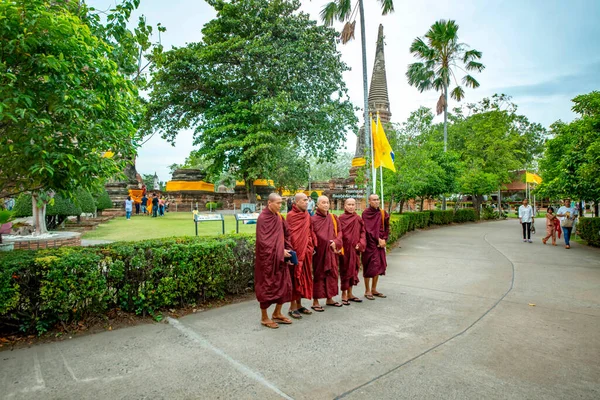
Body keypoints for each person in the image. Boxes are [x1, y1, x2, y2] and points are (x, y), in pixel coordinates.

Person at [255, 193, 294, 329]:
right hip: (267, 260)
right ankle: (264, 317)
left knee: (284, 285)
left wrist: (288, 252)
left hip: (280, 259)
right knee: (266, 286)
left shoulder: (279, 217)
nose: (279, 206)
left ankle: (277, 313)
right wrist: (279, 251)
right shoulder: (263, 218)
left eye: (281, 203)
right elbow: (263, 241)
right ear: (269, 203)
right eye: (277, 203)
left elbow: (286, 234)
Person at [285, 193, 315, 319]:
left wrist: (311, 245)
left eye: (307, 200)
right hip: (296, 253)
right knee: (294, 279)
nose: (306, 202)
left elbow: (310, 231)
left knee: (303, 279)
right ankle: (292, 307)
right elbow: (289, 236)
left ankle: (299, 304)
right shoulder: (291, 216)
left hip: (306, 251)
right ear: (296, 203)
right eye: (303, 201)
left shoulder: (307, 215)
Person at [311, 195, 343, 311]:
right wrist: (322, 242)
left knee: (332, 274)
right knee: (319, 275)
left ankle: (330, 298)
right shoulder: (313, 219)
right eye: (323, 202)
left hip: (332, 251)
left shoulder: (334, 218)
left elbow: (339, 232)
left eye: (327, 202)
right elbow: (312, 235)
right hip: (319, 253)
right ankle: (315, 301)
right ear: (318, 205)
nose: (325, 205)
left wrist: (336, 242)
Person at [361, 194, 390, 300]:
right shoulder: (366, 213)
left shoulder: (383, 213)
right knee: (369, 266)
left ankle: (374, 289)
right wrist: (378, 239)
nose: (376, 202)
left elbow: (386, 227)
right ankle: (367, 290)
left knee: (378, 265)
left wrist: (384, 239)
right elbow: (368, 229)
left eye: (378, 200)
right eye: (374, 200)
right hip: (369, 244)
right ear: (369, 201)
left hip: (380, 244)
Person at [339, 198, 366, 305]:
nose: (351, 206)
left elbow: (363, 233)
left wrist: (361, 243)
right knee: (345, 270)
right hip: (345, 249)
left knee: (353, 269)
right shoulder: (340, 218)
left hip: (355, 249)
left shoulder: (358, 218)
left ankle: (350, 293)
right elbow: (338, 233)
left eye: (353, 204)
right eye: (349, 204)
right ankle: (344, 294)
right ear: (344, 206)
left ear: (355, 206)